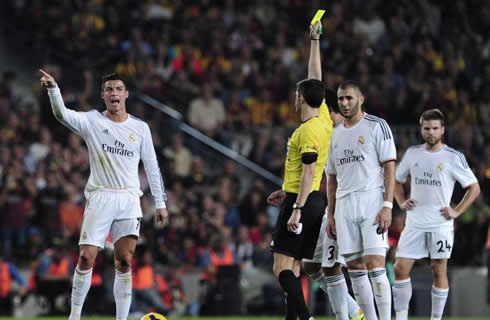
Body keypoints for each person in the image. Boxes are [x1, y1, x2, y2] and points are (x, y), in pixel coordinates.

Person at [39, 69, 169, 320]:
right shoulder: (93, 121)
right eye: (109, 89)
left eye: (118, 89)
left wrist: (161, 203)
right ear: (103, 95)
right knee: (86, 257)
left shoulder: (140, 128)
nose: (114, 93)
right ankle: (74, 316)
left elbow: (152, 166)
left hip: (129, 199)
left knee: (124, 261)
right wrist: (54, 90)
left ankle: (122, 318)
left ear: (126, 94)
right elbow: (61, 115)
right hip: (100, 197)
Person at [299, 20, 362, 320]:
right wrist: (315, 41)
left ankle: (350, 315)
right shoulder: (325, 125)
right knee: (311, 267)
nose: (336, 110)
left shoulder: (357, 132)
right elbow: (314, 82)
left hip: (343, 205)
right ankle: (354, 311)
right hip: (322, 204)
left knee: (332, 266)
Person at [392, 109, 480, 320]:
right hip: (414, 222)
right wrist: (401, 201)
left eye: (434, 129)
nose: (430, 132)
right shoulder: (413, 153)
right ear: (421, 129)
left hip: (440, 223)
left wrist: (457, 210)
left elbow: (474, 187)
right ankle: (401, 318)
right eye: (426, 128)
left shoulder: (453, 157)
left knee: (438, 270)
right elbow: (395, 179)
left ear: (442, 130)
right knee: (400, 268)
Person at [267, 54, 331, 319]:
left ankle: (306, 318)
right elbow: (315, 77)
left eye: (297, 94)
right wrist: (315, 43)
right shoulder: (324, 119)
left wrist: (296, 207)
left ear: (301, 98)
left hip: (302, 200)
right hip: (311, 198)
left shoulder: (308, 131)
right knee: (293, 268)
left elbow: (309, 172)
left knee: (280, 268)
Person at [326, 80, 396, 320]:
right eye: (341, 99)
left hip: (372, 202)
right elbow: (332, 178)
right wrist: (331, 214)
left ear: (361, 99)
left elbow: (389, 167)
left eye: (349, 98)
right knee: (355, 267)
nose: (344, 103)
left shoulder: (377, 126)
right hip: (344, 205)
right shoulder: (335, 134)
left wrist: (387, 205)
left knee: (376, 265)